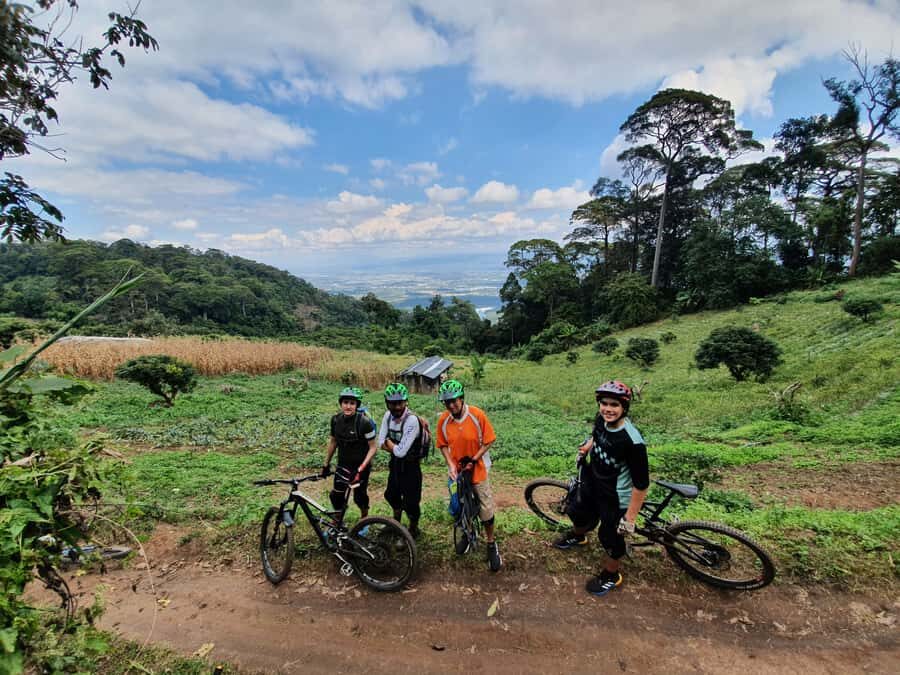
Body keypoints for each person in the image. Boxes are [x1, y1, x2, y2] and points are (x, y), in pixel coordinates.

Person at [553, 380, 649, 597]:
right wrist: (588, 446)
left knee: (610, 536)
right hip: (593, 479)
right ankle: (578, 536)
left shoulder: (632, 442)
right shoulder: (601, 420)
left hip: (614, 496)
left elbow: (641, 484)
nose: (607, 409)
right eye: (604, 403)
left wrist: (630, 519)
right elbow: (596, 435)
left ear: (624, 407)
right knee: (577, 510)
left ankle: (611, 575)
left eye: (614, 405)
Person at [435, 379, 502, 572]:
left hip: (477, 469)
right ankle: (467, 533)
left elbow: (489, 440)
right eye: (447, 402)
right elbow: (442, 445)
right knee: (460, 506)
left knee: (485, 510)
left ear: (462, 398)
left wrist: (474, 458)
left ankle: (491, 543)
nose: (452, 405)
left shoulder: (477, 415)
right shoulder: (444, 420)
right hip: (457, 472)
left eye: (455, 400)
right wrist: (450, 464)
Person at [322, 387, 378, 521]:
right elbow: (333, 442)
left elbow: (373, 447)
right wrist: (326, 464)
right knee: (336, 496)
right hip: (343, 464)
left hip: (360, 466)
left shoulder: (364, 423)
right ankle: (337, 521)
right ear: (341, 403)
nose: (348, 406)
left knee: (359, 497)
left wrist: (362, 468)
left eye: (352, 403)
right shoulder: (335, 420)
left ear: (357, 405)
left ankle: (364, 519)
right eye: (345, 402)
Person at [377, 382, 424, 538]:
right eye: (392, 403)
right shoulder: (387, 416)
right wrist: (394, 447)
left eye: (400, 403)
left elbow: (401, 451)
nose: (397, 407)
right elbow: (380, 442)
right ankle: (395, 523)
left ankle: (413, 529)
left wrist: (390, 444)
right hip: (395, 465)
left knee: (412, 502)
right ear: (387, 403)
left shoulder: (411, 421)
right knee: (391, 494)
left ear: (406, 401)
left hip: (411, 466)